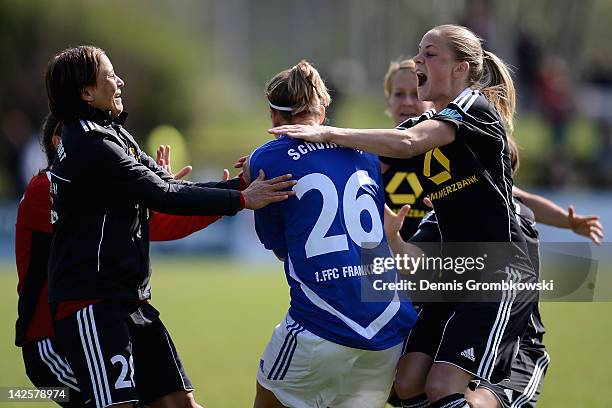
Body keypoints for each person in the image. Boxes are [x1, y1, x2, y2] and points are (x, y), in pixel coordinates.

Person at [270, 25, 538, 408]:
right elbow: (363, 155)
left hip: (496, 270)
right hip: (454, 272)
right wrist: (275, 165)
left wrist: (327, 130)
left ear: (461, 68)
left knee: (443, 386)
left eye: (430, 54)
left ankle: (504, 398)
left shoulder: (473, 107)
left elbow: (408, 143)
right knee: (407, 381)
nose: (417, 61)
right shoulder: (425, 124)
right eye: (419, 52)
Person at [44, 45, 295, 408]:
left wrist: (241, 185)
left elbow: (172, 188)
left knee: (180, 403)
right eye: (110, 76)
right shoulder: (90, 144)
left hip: (130, 301)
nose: (120, 82)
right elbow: (162, 194)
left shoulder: (111, 134)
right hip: (93, 306)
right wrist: (242, 198)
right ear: (86, 93)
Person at [380, 58, 604, 408]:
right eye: (399, 93)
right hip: (437, 294)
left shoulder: (495, 208)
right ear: (387, 101)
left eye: (414, 92)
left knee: (452, 390)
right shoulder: (411, 173)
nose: (408, 101)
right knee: (406, 383)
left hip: (508, 330)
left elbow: (520, 204)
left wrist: (566, 221)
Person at [15, 114, 228, 407]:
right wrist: (155, 192)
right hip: (51, 347)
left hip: (102, 328)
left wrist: (215, 202)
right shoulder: (46, 189)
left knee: (175, 403)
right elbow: (144, 207)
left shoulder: (94, 193)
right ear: (58, 142)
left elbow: (159, 224)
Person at [244, 60, 417, 408]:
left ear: (274, 117)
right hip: (387, 329)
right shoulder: (366, 152)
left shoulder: (264, 159)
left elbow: (279, 246)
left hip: (321, 324)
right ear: (322, 111)